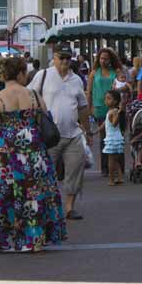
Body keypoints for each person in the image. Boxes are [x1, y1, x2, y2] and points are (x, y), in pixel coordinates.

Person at [0, 57, 66, 252]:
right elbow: (46, 119)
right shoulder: (34, 95)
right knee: (35, 194)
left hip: (7, 154)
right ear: (20, 73)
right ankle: (35, 237)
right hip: (35, 152)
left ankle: (0, 239)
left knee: (6, 196)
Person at [28, 43, 91, 220]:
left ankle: (69, 207)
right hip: (50, 136)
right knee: (46, 172)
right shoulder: (44, 75)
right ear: (53, 58)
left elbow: (83, 107)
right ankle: (47, 206)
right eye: (61, 57)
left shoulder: (77, 79)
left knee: (75, 170)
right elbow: (29, 96)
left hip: (73, 134)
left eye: (67, 58)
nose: (64, 61)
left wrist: (87, 130)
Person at [87, 47, 122, 176]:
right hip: (99, 108)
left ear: (110, 59)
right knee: (104, 139)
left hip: (114, 109)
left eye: (106, 58)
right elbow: (89, 92)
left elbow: (121, 87)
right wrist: (90, 108)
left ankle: (118, 167)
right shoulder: (94, 73)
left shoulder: (116, 72)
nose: (103, 61)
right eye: (101, 58)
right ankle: (105, 168)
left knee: (116, 137)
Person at [97, 90, 125, 186]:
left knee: (111, 161)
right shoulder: (109, 111)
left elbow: (113, 124)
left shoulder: (114, 111)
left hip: (113, 138)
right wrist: (96, 131)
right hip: (113, 138)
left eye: (109, 98)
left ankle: (111, 179)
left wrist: (119, 113)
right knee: (115, 160)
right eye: (106, 98)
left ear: (115, 101)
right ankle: (120, 177)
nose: (106, 100)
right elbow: (105, 124)